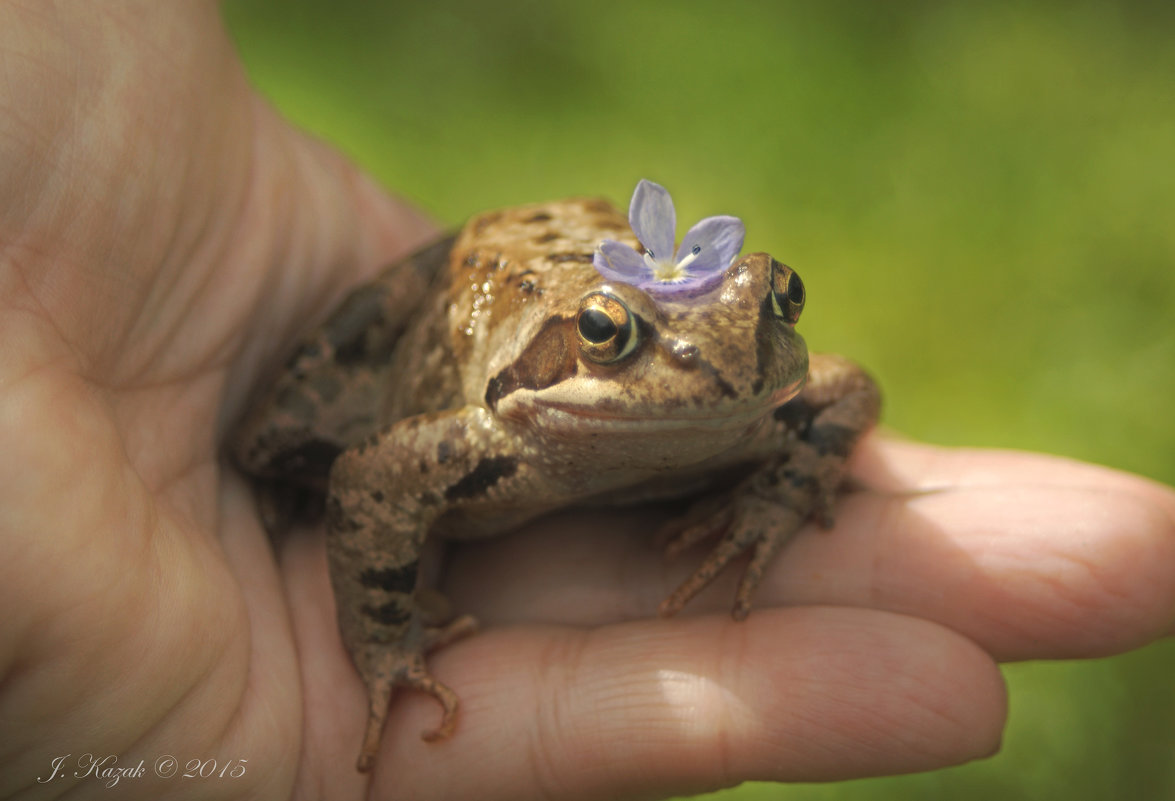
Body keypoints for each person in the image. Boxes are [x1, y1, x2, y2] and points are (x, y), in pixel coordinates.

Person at [1, 3, 1172, 799]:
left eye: (770, 312)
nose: (715, 375)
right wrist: (387, 636)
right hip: (482, 284)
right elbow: (367, 475)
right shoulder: (476, 434)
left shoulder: (767, 389)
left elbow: (847, 388)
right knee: (282, 445)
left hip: (573, 270)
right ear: (585, 339)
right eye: (615, 343)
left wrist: (772, 504)